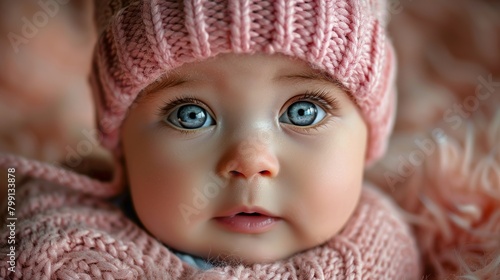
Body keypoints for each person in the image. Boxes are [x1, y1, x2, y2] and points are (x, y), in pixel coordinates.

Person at [0, 0, 421, 278]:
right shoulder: (56, 247)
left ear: (368, 138)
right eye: (191, 115)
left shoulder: (381, 256)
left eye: (303, 111)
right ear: (122, 145)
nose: (251, 160)